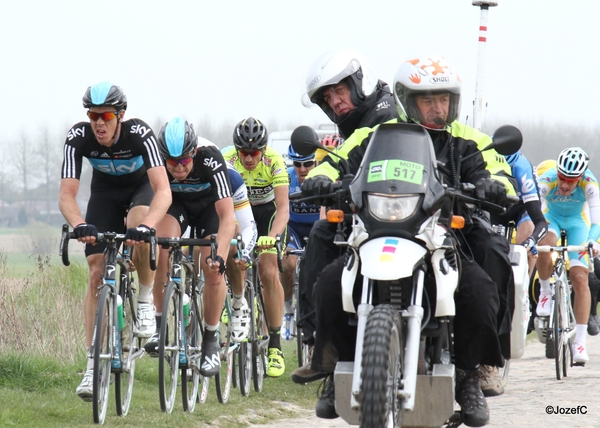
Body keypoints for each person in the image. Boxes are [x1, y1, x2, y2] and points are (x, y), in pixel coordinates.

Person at [300, 54, 517, 427]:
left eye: (443, 99)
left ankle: (474, 372)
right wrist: (319, 178)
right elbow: (332, 162)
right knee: (330, 282)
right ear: (406, 99)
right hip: (381, 229)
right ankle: (331, 359)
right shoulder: (377, 136)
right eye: (426, 100)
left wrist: (495, 185)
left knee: (485, 274)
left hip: (448, 234)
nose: (437, 108)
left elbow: (499, 168)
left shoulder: (469, 140)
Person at [58, 82, 171, 401]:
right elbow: (66, 195)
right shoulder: (78, 137)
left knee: (138, 225)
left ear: (120, 115)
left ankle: (146, 299)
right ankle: (93, 365)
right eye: (93, 115)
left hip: (141, 191)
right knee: (96, 272)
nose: (99, 122)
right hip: (105, 195)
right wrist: (79, 224)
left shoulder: (140, 133)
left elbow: (163, 191)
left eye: (106, 115)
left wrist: (149, 226)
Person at [293, 50, 399, 383]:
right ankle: (326, 352)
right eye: (328, 98)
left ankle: (472, 368)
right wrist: (319, 179)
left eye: (340, 90)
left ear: (359, 81)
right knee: (323, 237)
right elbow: (338, 157)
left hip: (416, 214)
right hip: (367, 218)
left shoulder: (391, 111)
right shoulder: (358, 126)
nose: (336, 102)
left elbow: (358, 152)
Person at [143, 118, 242, 376]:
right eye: (172, 162)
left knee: (212, 267)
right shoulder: (156, 160)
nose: (178, 168)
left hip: (210, 208)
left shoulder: (210, 158)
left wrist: (219, 259)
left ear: (194, 152)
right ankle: (159, 325)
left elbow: (227, 218)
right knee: (162, 247)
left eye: (185, 161)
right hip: (177, 206)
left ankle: (210, 340)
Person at [222, 117, 290, 377]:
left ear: (263, 150)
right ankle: (236, 298)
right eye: (244, 153)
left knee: (268, 271)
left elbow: (283, 208)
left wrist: (272, 237)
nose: (249, 158)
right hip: (239, 211)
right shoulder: (226, 159)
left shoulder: (274, 160)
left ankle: (274, 345)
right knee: (229, 252)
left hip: (267, 214)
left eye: (254, 153)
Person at [534, 147, 600, 364]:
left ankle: (580, 341)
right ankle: (545, 291)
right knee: (545, 243)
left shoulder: (590, 184)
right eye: (562, 177)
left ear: (580, 177)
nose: (564, 184)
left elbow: (596, 220)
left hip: (577, 224)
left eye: (571, 181)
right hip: (551, 218)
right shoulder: (548, 179)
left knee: (580, 278)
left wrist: (592, 241)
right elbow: (533, 206)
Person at [281, 146, 321, 327]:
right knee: (288, 263)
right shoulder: (287, 177)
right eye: (297, 164)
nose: (303, 169)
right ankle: (288, 309)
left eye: (308, 164)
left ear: (315, 162)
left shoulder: (323, 176)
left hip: (316, 226)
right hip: (294, 228)